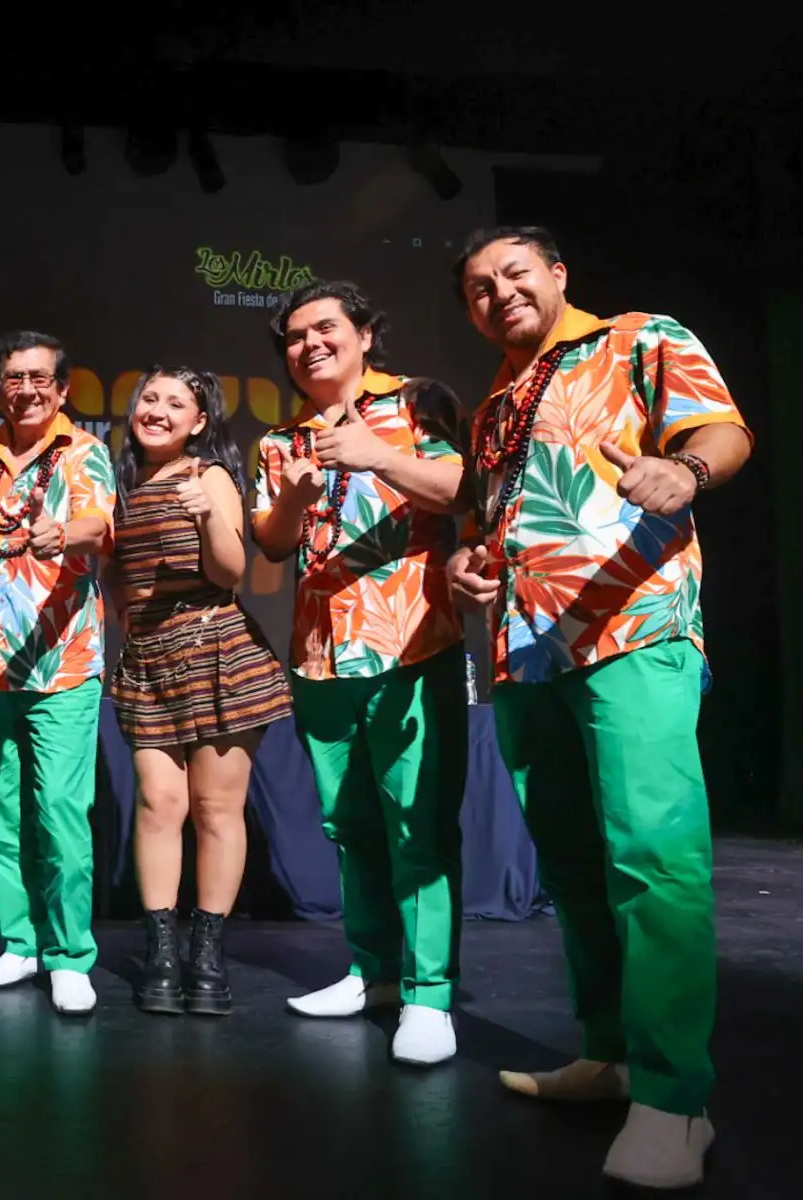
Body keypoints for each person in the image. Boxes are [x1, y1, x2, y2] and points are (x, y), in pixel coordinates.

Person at [445, 226, 752, 1190]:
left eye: (515, 275)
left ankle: (673, 1098)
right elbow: (491, 517)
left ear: (558, 274)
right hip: (527, 651)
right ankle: (611, 1052)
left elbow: (724, 429)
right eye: (479, 289)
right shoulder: (496, 398)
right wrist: (468, 562)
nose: (499, 296)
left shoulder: (639, 336)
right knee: (573, 859)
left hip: (635, 626)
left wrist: (686, 472)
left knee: (653, 853)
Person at [252, 280, 470, 1067]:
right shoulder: (280, 439)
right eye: (295, 337)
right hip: (318, 656)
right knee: (350, 826)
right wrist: (295, 499)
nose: (310, 345)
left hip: (412, 644)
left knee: (417, 825)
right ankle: (373, 972)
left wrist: (377, 454)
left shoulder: (417, 403)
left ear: (365, 334)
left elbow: (460, 489)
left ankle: (430, 995)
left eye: (325, 329)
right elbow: (271, 544)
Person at [108, 368, 292, 1016]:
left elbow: (232, 571)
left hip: (215, 653)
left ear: (200, 421)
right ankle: (161, 952)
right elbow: (114, 575)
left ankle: (206, 957)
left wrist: (211, 516)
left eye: (174, 403)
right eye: (148, 399)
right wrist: (125, 625)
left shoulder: (208, 476)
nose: (156, 410)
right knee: (159, 804)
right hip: (148, 664)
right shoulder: (121, 484)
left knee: (216, 810)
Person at [0, 331, 116, 1016]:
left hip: (63, 661)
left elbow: (98, 523)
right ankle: (18, 945)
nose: (26, 389)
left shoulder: (83, 452)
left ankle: (69, 954)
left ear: (62, 388)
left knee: (59, 814)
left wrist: (65, 535)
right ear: (0, 385)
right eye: (14, 377)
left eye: (39, 378)